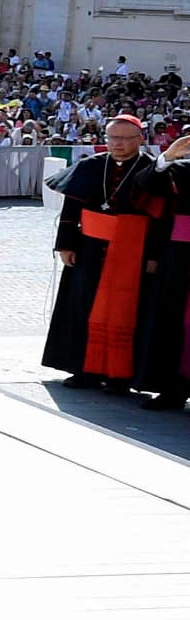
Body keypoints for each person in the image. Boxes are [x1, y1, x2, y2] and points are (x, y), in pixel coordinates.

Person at [42, 115, 167, 391]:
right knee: (82, 306)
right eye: (112, 138)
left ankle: (120, 375)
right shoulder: (90, 166)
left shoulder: (151, 170)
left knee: (127, 310)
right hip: (87, 249)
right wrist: (65, 244)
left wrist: (154, 256)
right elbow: (71, 208)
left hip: (133, 251)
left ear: (139, 140)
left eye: (124, 138)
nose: (117, 144)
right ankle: (83, 369)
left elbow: (160, 218)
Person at [136, 126, 190, 411]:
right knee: (175, 321)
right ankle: (174, 390)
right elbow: (146, 185)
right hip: (182, 255)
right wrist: (168, 157)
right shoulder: (181, 169)